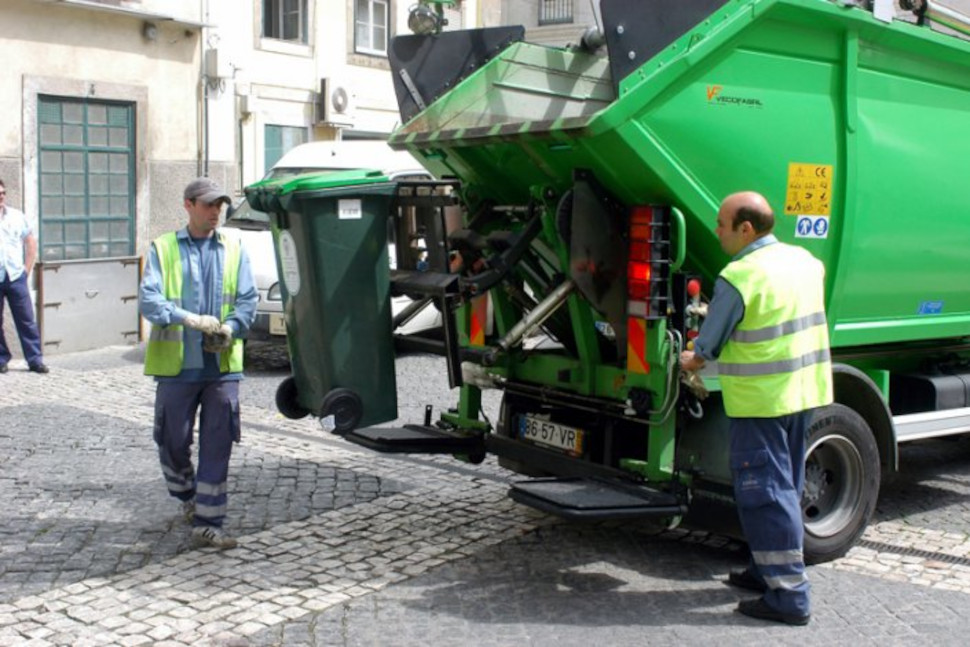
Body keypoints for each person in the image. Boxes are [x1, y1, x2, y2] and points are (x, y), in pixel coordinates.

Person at [680, 191, 833, 626]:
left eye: (722, 224)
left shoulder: (740, 275)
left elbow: (706, 346)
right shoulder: (805, 261)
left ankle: (789, 597)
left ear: (746, 229)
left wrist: (687, 360)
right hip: (803, 393)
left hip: (762, 400)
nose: (717, 231)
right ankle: (767, 570)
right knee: (787, 487)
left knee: (766, 497)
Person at [139, 177, 258, 549]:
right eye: (208, 205)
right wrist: (187, 318)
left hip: (222, 368)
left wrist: (231, 326)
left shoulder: (235, 248)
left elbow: (248, 299)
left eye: (219, 205)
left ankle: (209, 521)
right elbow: (149, 300)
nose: (215, 212)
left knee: (218, 443)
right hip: (178, 367)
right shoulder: (164, 248)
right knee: (172, 441)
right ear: (188, 205)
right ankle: (187, 494)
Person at [0, 179, 49, 375]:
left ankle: (35, 360)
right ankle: (2, 359)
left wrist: (26, 271)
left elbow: (30, 242)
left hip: (15, 276)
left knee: (26, 319)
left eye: (2, 193)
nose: (1, 196)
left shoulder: (16, 216)